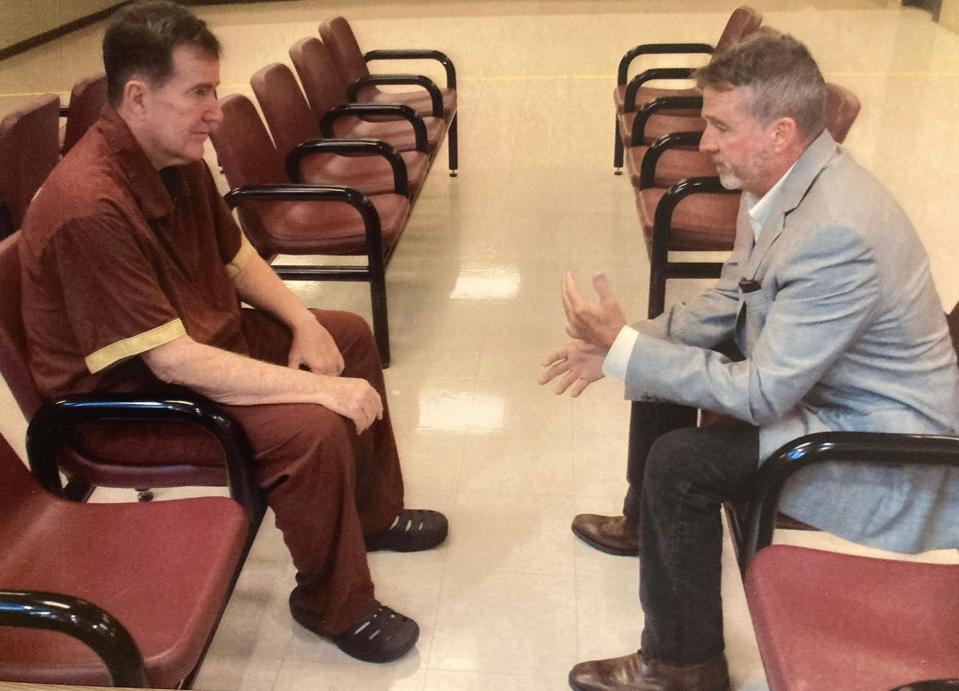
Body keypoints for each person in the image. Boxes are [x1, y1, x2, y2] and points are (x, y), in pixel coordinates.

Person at [19, 0, 448, 664]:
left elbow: (238, 259)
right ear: (137, 96)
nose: (215, 109)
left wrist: (303, 322)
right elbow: (170, 363)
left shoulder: (172, 155)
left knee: (347, 336)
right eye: (199, 92)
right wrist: (319, 394)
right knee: (309, 426)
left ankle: (372, 514)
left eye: (214, 89)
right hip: (126, 401)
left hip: (197, 348)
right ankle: (331, 602)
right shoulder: (89, 207)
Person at [540, 29, 959, 690]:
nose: (703, 143)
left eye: (718, 126)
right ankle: (643, 523)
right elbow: (734, 299)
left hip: (879, 449)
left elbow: (763, 394)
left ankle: (682, 664)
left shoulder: (836, 232)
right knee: (665, 357)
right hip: (827, 392)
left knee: (680, 467)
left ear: (779, 131)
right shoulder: (776, 183)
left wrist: (626, 352)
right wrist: (628, 341)